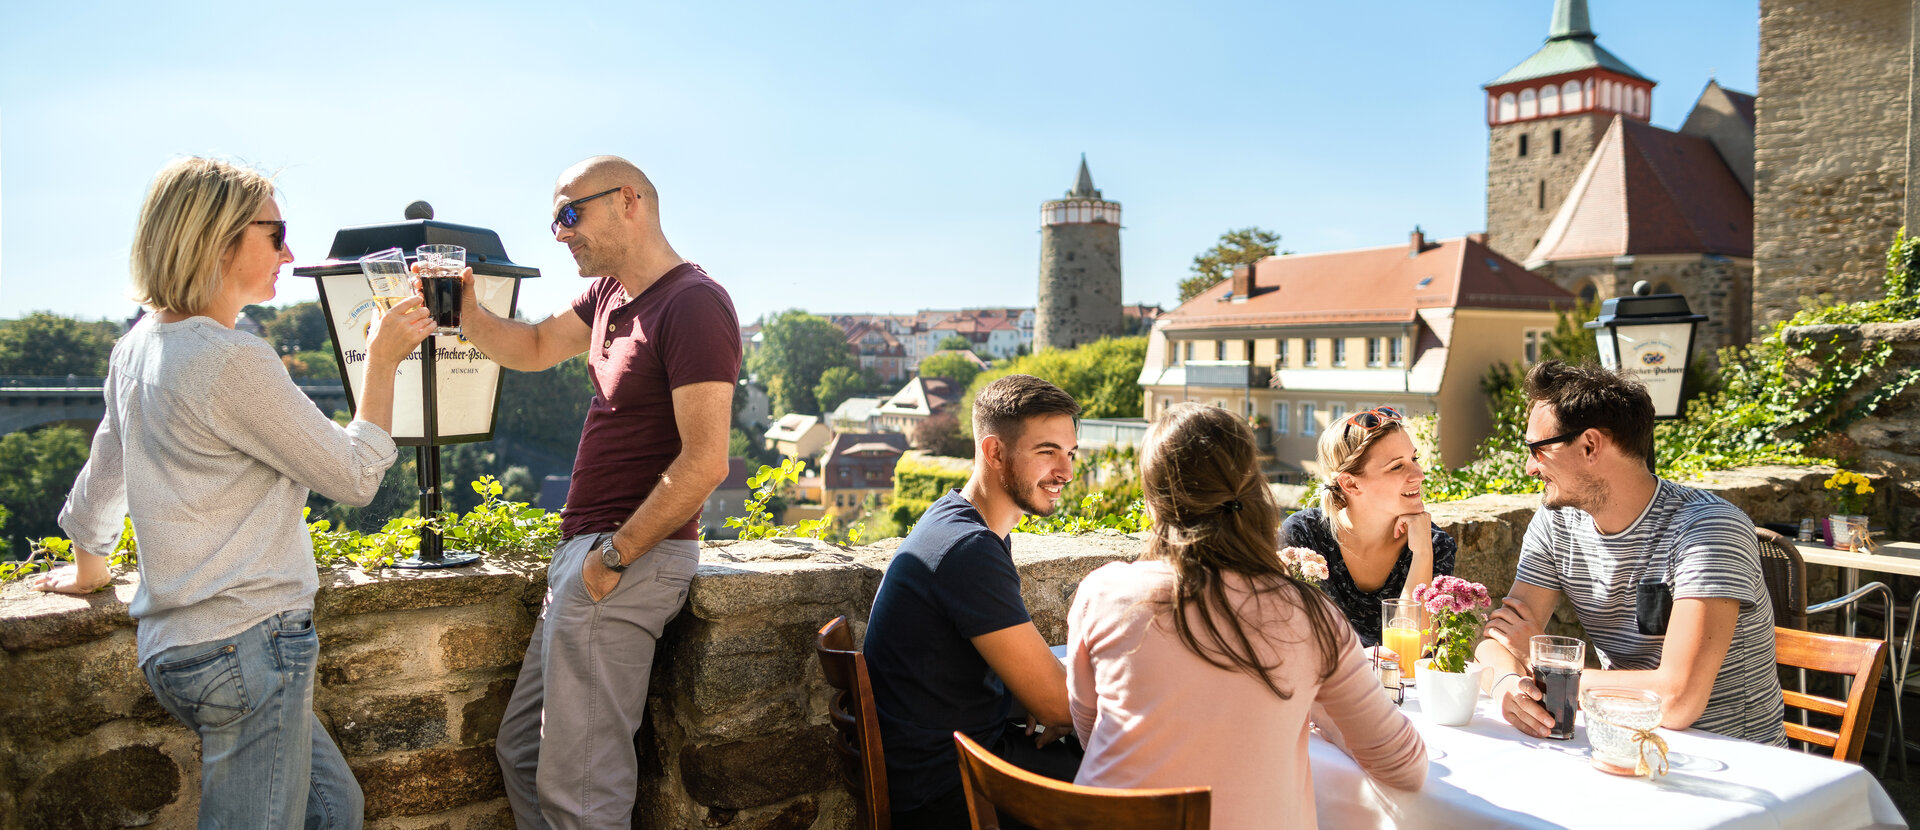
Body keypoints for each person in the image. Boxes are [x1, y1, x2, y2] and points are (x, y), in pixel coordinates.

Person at [33, 157, 436, 828]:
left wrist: (90, 564)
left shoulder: (136, 348)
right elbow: (354, 475)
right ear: (217, 238)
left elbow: (108, 467)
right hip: (246, 646)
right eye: (276, 235)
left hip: (178, 652)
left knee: (335, 810)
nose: (290, 252)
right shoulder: (230, 358)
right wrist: (382, 360)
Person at [465, 156, 741, 828]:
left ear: (627, 201)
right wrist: (464, 310)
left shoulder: (693, 304)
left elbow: (705, 461)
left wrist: (612, 558)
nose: (560, 233)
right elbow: (531, 346)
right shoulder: (609, 295)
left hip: (627, 560)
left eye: (569, 214)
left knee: (581, 791)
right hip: (589, 559)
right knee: (526, 753)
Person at [1068, 404, 1426, 829]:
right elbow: (1404, 767)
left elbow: (1092, 734)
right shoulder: (1312, 617)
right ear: (1254, 489)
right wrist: (1323, 712)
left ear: (1153, 501)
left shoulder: (1102, 592)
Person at [1476, 360, 1787, 745]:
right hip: (1619, 741)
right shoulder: (1557, 521)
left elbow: (1677, 701)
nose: (1528, 468)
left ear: (1590, 445)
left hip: (1732, 766)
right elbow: (1498, 640)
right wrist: (1507, 684)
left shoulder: (1707, 530)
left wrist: (1546, 668)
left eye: (1538, 450)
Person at [864, 374, 1085, 830]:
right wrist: (1050, 705)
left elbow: (1046, 699)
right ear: (994, 451)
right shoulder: (968, 549)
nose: (1065, 471)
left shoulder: (957, 520)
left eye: (1070, 453)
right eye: (1047, 452)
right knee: (1140, 780)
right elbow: (1060, 707)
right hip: (951, 792)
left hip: (952, 761)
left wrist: (1036, 703)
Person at [1280, 406, 1456, 646]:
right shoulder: (1304, 536)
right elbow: (1288, 639)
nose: (1419, 474)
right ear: (1350, 484)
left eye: (1414, 458)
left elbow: (1418, 650)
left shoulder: (1435, 544)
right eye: (1397, 466)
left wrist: (1423, 554)